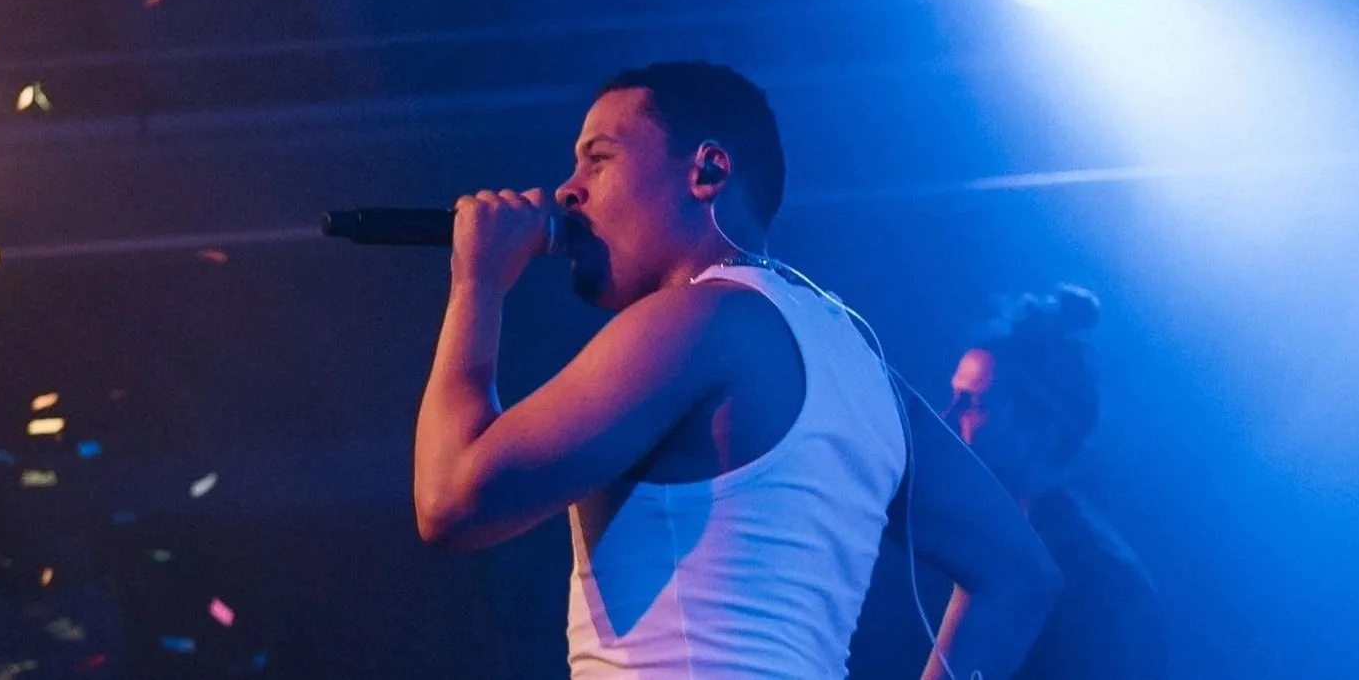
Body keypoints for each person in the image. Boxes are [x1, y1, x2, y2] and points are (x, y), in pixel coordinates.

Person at [414, 60, 1061, 680]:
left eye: (598, 156)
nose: (565, 189)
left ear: (707, 169)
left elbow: (450, 501)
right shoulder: (864, 368)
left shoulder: (694, 320)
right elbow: (1019, 574)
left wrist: (477, 282)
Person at [946, 287, 1168, 680]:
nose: (949, 417)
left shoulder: (1095, 578)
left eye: (975, 404)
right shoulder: (998, 546)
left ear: (1042, 431)